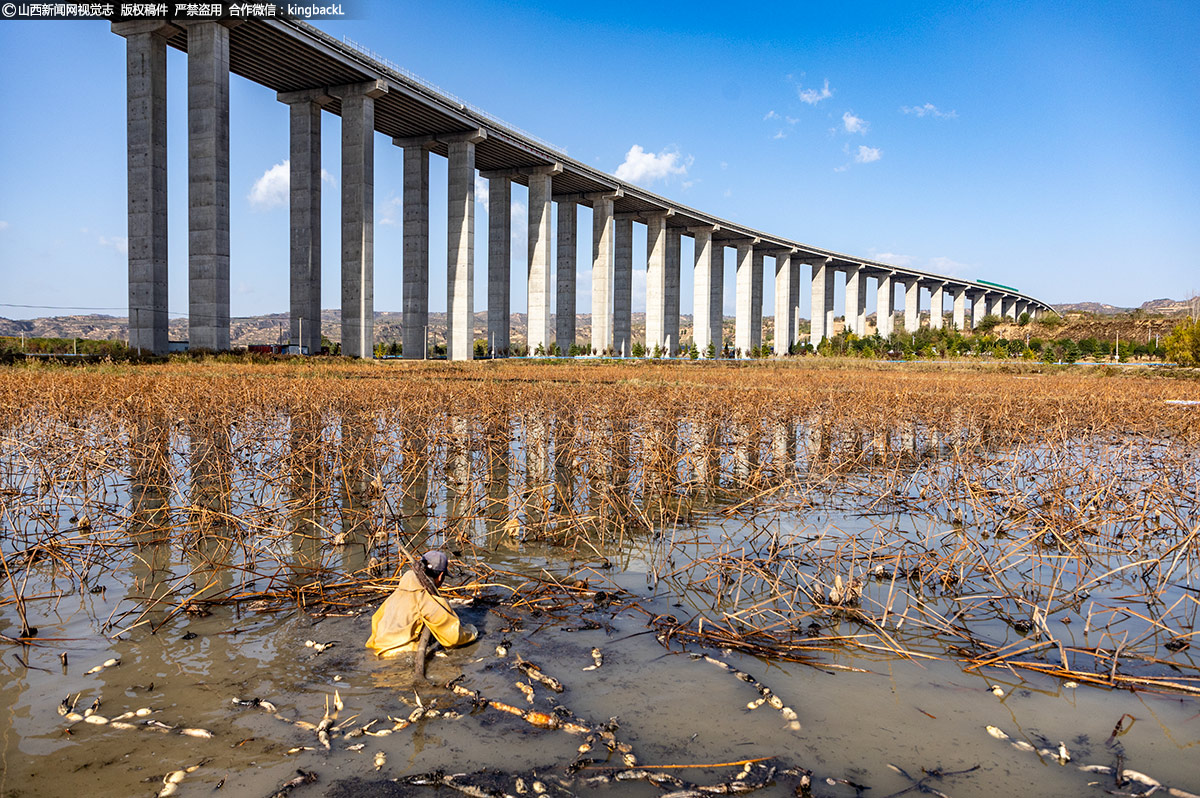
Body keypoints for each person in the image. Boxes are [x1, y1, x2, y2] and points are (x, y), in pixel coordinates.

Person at [366, 550, 478, 657]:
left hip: (376, 647)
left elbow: (376, 619)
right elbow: (453, 637)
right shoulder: (427, 599)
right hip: (398, 652)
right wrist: (471, 632)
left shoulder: (397, 593)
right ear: (440, 576)